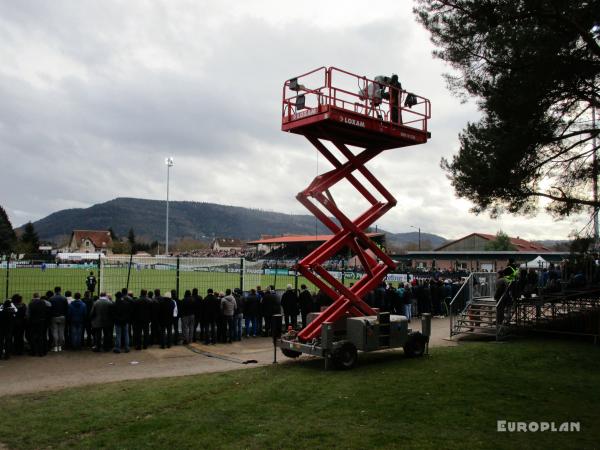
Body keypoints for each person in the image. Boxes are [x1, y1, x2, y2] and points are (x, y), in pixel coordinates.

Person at [49, 286, 68, 352]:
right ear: (60, 291)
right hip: (62, 317)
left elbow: (50, 309)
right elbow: (66, 308)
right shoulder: (64, 298)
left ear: (55, 291)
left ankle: (55, 347)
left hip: (54, 317)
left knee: (55, 332)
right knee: (61, 332)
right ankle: (60, 346)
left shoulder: (51, 298)